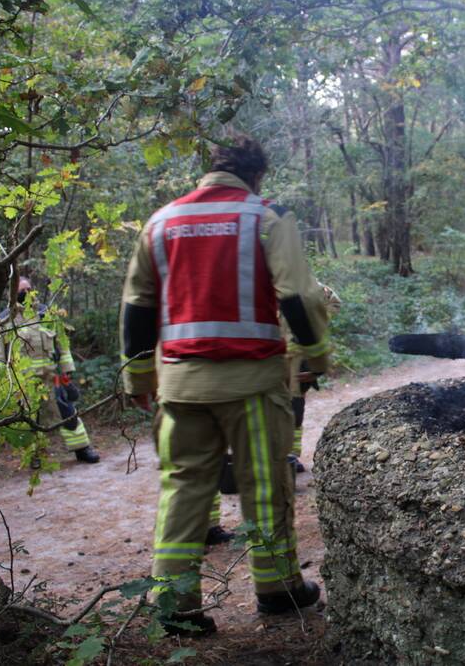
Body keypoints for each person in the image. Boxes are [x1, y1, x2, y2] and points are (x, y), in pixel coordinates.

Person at [119, 135, 331, 637]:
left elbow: (137, 305)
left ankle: (174, 606)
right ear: (257, 176)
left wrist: (138, 375)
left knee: (183, 489)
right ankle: (278, 591)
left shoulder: (161, 220)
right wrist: (318, 356)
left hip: (178, 387)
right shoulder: (265, 217)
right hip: (251, 385)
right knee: (265, 485)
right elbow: (298, 296)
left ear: (210, 171)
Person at [0, 277, 100, 466]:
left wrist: (67, 370)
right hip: (22, 381)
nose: (26, 294)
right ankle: (35, 456)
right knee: (28, 420)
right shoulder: (3, 320)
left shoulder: (46, 314)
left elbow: (63, 345)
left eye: (29, 289)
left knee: (67, 410)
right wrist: (2, 383)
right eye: (21, 291)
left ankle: (82, 449)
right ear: (11, 294)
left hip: (52, 376)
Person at [284, 282, 340, 477]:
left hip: (298, 357)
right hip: (267, 355)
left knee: (295, 407)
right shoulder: (258, 284)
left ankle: (291, 456)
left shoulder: (312, 286)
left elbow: (334, 303)